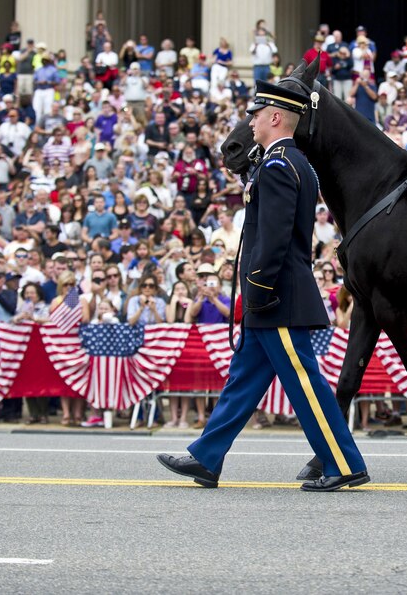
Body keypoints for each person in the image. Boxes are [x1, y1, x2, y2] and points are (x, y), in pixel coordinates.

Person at [158, 79, 368, 492]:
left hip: (276, 294)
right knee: (244, 380)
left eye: (256, 114)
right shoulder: (290, 163)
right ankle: (207, 457)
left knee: (304, 383)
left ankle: (343, 462)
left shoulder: (278, 166)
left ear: (275, 117)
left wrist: (256, 288)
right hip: (274, 294)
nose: (250, 121)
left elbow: (271, 241)